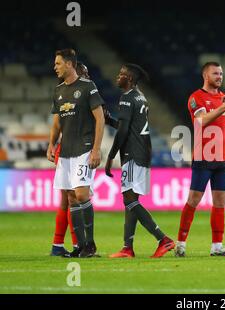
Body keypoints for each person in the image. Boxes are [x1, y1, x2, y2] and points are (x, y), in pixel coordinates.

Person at [105, 64, 175, 258]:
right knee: (131, 200)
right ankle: (127, 248)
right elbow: (128, 124)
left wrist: (110, 156)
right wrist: (109, 119)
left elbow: (124, 131)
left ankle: (163, 239)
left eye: (122, 74)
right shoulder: (140, 96)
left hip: (133, 152)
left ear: (130, 79)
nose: (118, 77)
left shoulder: (127, 98)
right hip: (143, 150)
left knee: (129, 198)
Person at [174, 62, 225, 257]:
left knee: (220, 201)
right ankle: (181, 243)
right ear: (205, 76)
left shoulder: (223, 98)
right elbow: (200, 122)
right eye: (215, 73)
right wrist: (224, 106)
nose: (219, 76)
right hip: (203, 156)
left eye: (221, 73)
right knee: (194, 199)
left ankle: (217, 246)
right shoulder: (196, 98)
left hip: (221, 158)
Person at [47, 49, 105, 258]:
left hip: (84, 148)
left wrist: (96, 149)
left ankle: (90, 244)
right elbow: (56, 122)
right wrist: (51, 144)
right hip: (66, 151)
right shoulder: (58, 91)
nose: (55, 67)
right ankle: (80, 246)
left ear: (70, 64)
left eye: (58, 63)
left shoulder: (88, 87)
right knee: (71, 198)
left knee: (81, 194)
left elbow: (100, 119)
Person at [50, 62, 90, 256]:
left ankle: (60, 245)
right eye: (85, 73)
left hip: (67, 149)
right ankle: (76, 245)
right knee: (71, 199)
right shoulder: (73, 93)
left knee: (67, 200)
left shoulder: (77, 93)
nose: (87, 76)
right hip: (70, 151)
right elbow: (58, 124)